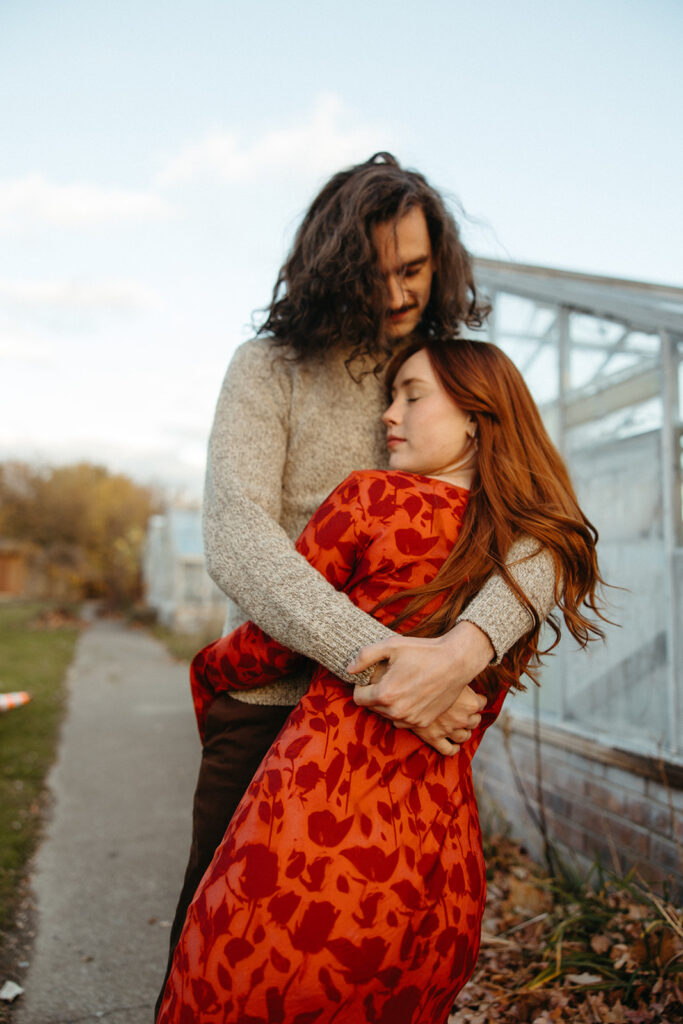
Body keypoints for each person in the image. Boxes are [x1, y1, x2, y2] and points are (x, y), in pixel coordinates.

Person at [156, 153, 558, 1016]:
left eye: (413, 269)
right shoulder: (266, 370)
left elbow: (542, 541)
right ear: (333, 265)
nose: (397, 294)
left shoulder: (441, 376)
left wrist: (460, 651)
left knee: (375, 976)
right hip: (275, 708)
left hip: (401, 738)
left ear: (438, 261)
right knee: (222, 959)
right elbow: (236, 538)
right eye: (375, 274)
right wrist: (385, 668)